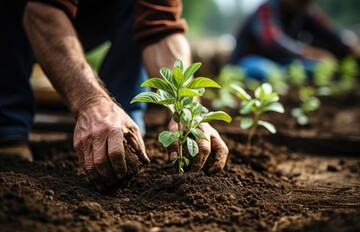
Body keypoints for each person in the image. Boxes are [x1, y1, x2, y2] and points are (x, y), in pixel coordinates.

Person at [0, 0, 229, 190]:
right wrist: (90, 102)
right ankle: (8, 123)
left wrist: (187, 109)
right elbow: (43, 11)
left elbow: (161, 28)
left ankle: (118, 130)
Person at [228, 0, 360, 81]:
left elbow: (329, 32)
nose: (304, 4)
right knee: (261, 72)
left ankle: (284, 78)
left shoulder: (302, 10)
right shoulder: (267, 9)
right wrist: (308, 52)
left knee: (321, 67)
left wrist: (350, 45)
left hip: (283, 64)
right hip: (251, 61)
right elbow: (273, 41)